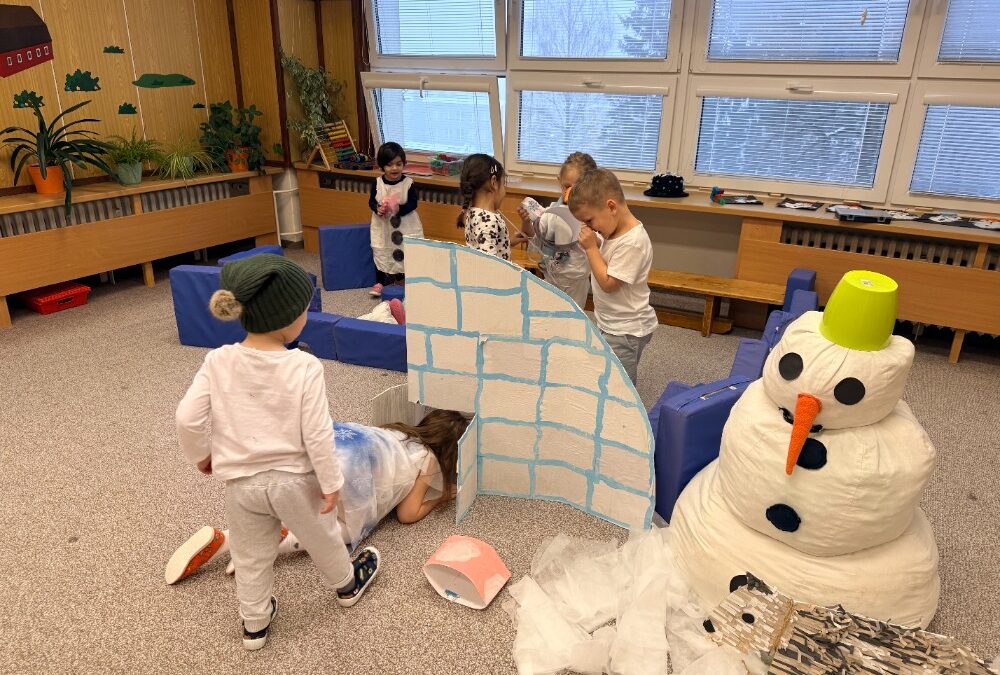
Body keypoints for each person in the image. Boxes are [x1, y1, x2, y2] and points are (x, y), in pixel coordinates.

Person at [175, 254, 380, 651]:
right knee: (322, 537)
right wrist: (331, 481)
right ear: (287, 318)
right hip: (294, 482)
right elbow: (317, 433)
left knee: (251, 555)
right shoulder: (303, 367)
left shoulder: (217, 361)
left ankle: (255, 624)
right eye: (305, 309)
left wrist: (202, 455)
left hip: (242, 486)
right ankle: (346, 585)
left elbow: (187, 417)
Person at [166, 410, 469, 583]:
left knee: (302, 501)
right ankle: (277, 539)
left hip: (327, 449)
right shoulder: (428, 458)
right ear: (451, 452)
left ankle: (231, 540)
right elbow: (407, 514)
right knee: (339, 530)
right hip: (351, 474)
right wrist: (440, 497)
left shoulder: (398, 431)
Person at [568, 169, 658, 385]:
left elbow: (609, 283)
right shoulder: (614, 232)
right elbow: (610, 260)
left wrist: (591, 249)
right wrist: (598, 244)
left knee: (620, 386)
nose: (590, 228)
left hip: (625, 330)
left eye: (590, 220)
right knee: (608, 374)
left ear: (611, 207)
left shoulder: (633, 242)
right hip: (614, 324)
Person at [517, 152, 597, 307]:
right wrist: (526, 221)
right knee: (549, 311)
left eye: (576, 188)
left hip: (576, 281)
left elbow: (598, 247)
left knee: (573, 314)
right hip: (551, 277)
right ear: (559, 181)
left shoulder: (592, 216)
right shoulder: (551, 212)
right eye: (566, 186)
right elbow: (535, 236)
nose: (569, 193)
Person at [369, 142, 423, 297]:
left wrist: (400, 209)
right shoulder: (377, 183)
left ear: (404, 164)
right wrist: (378, 208)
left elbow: (413, 203)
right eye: (389, 165)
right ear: (382, 166)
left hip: (405, 226)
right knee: (381, 251)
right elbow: (371, 201)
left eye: (399, 164)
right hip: (383, 227)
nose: (395, 168)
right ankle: (380, 282)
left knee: (405, 251)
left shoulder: (408, 183)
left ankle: (403, 280)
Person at [456, 153, 513, 261]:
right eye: (503, 185)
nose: (504, 192)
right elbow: (488, 263)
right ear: (494, 182)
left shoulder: (470, 212)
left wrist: (511, 241)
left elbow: (490, 245)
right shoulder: (489, 221)